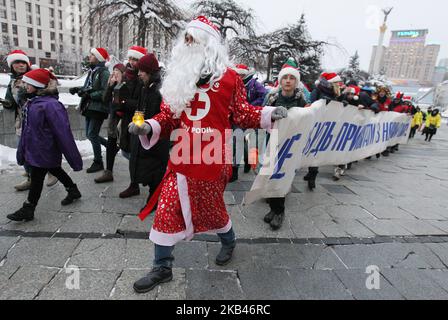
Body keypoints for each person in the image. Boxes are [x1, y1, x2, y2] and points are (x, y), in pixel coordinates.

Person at [128, 16, 288, 293]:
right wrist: (149, 126)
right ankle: (162, 267)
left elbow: (242, 113)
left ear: (210, 43)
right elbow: (168, 116)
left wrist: (269, 113)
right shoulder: (179, 77)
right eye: (186, 38)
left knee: (213, 209)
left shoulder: (230, 78)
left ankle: (229, 241)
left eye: (195, 38)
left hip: (214, 155)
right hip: (182, 155)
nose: (189, 43)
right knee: (166, 207)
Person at [7, 69, 83, 222]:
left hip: (45, 149)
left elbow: (63, 133)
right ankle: (73, 190)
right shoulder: (33, 101)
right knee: (55, 169)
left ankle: (29, 208)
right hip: (36, 149)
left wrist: (74, 159)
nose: (24, 85)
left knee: (37, 178)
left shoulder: (51, 105)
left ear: (37, 85)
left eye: (28, 83)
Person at [262, 59, 307, 230]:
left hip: (291, 145)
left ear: (296, 81)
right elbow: (262, 116)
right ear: (280, 81)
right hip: (272, 141)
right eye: (285, 77)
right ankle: (273, 209)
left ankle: (279, 211)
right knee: (270, 175)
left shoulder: (302, 100)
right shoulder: (272, 97)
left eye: (292, 78)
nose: (288, 80)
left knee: (282, 176)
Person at [128, 54, 170, 208]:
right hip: (145, 134)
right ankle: (150, 195)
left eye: (142, 71)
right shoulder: (146, 87)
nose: (138, 74)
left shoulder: (160, 90)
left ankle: (153, 200)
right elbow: (141, 110)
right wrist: (136, 122)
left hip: (157, 138)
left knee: (155, 169)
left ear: (150, 72)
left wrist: (146, 125)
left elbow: (162, 115)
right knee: (146, 167)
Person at [70, 48, 110, 174]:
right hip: (89, 107)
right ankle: (110, 146)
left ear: (98, 58)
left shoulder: (104, 73)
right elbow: (89, 87)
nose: (90, 56)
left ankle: (98, 162)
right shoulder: (93, 71)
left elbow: (105, 92)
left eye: (92, 55)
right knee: (89, 134)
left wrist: (90, 95)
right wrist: (78, 89)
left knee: (92, 134)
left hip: (98, 108)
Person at [119, 46, 148, 198]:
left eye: (135, 59)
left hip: (137, 119)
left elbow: (140, 103)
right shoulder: (127, 75)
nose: (131, 62)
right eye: (130, 58)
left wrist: (123, 102)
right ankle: (137, 177)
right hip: (125, 118)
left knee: (133, 152)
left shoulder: (142, 77)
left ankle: (135, 183)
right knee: (126, 151)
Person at [306, 72, 342, 190]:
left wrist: (342, 105)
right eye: (337, 83)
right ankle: (311, 173)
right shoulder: (317, 91)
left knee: (316, 152)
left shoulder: (334, 94)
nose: (339, 85)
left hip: (326, 127)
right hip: (314, 125)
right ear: (331, 83)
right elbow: (311, 105)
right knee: (310, 151)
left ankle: (312, 175)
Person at [232, 63, 268, 179]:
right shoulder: (233, 83)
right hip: (237, 117)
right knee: (237, 140)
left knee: (246, 141)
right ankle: (236, 168)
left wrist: (250, 106)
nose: (240, 76)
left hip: (250, 116)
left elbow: (264, 95)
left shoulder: (254, 84)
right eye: (238, 74)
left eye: (242, 74)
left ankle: (245, 161)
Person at [94, 63, 127, 183]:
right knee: (110, 145)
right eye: (113, 71)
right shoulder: (113, 86)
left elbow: (121, 104)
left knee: (126, 149)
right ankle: (108, 172)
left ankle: (136, 179)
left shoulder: (126, 86)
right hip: (113, 121)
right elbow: (105, 99)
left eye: (117, 71)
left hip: (123, 121)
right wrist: (110, 85)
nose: (114, 73)